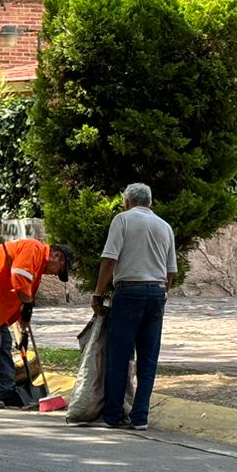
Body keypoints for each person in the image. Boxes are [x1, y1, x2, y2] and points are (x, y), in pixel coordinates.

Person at [91, 183, 176, 429]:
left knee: (119, 356)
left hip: (128, 292)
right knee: (148, 360)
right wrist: (162, 293)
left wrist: (98, 293)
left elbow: (109, 260)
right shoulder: (164, 226)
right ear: (150, 202)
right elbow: (170, 271)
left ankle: (113, 415)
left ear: (127, 202)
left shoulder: (122, 220)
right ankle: (140, 417)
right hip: (157, 293)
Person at [0, 237, 73, 407]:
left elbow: (22, 295)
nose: (55, 274)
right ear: (56, 255)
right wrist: (28, 306)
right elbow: (19, 277)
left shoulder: (38, 263)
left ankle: (6, 392)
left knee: (4, 342)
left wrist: (23, 325)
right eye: (59, 270)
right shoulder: (34, 248)